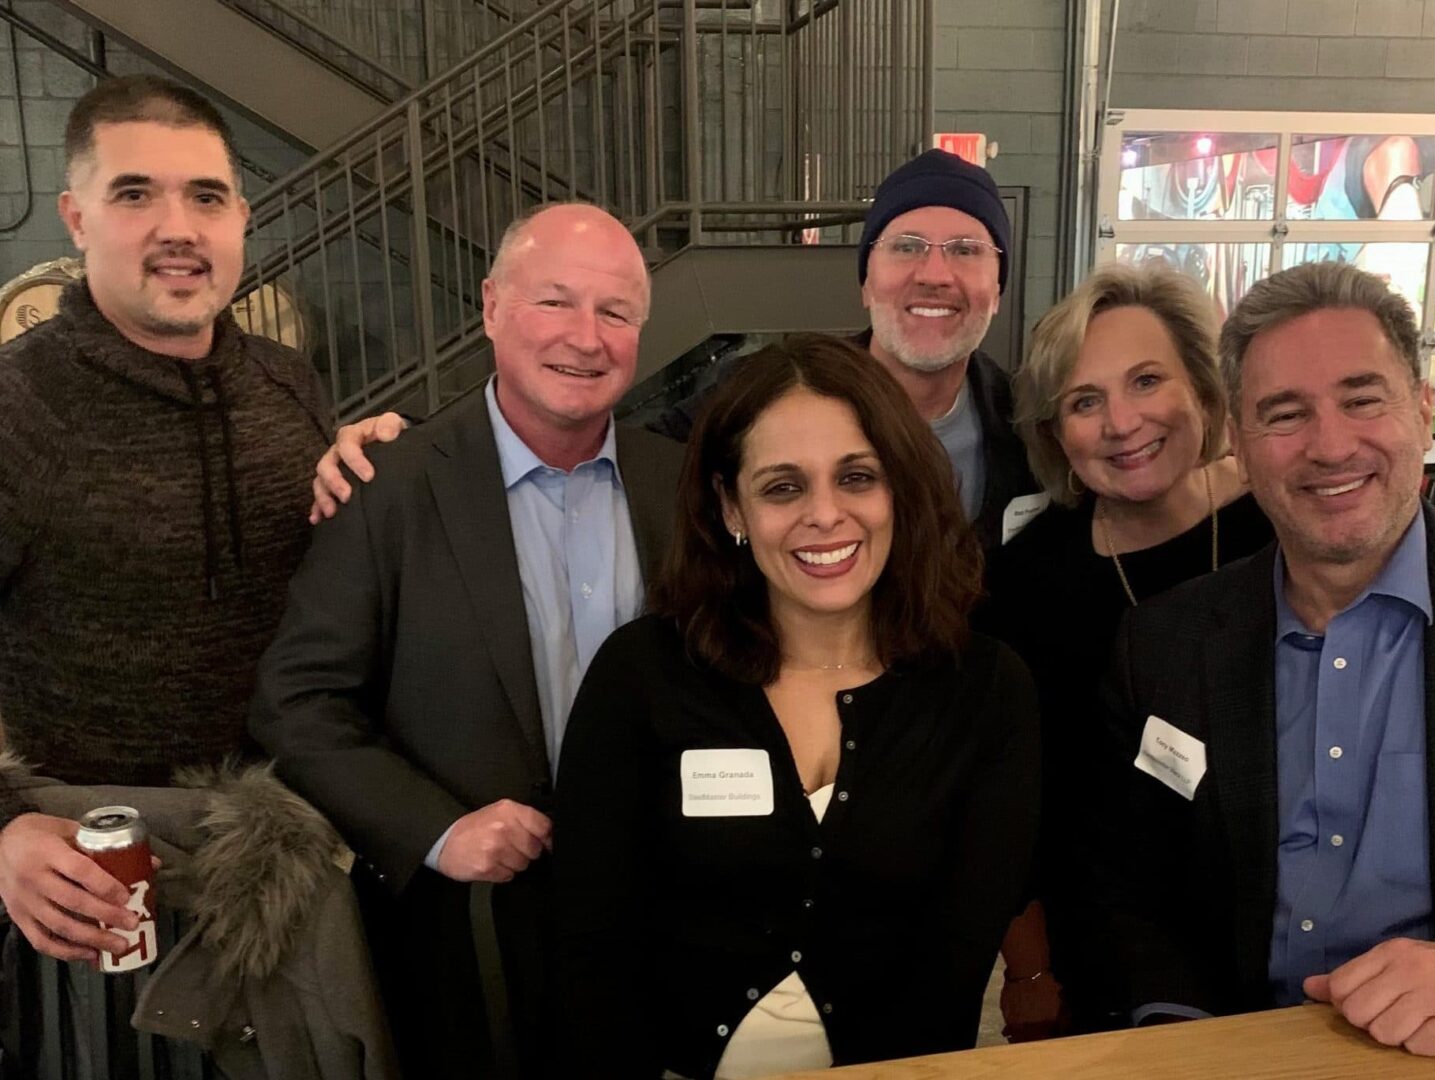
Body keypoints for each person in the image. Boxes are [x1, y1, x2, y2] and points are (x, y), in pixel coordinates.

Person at [251, 202, 684, 1077]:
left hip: (658, 917)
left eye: (616, 313)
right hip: (469, 941)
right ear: (490, 307)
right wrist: (437, 831)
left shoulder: (682, 483)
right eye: (555, 302)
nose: (586, 337)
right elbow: (295, 702)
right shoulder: (388, 484)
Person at [550, 334, 1040, 1078]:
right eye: (782, 486)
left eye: (856, 477)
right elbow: (590, 948)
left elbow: (955, 959)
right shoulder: (640, 676)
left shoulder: (984, 691)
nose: (824, 515)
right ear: (730, 506)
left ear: (899, 490)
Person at [1074, 261, 1435, 1056]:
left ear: (1421, 409)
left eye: (1361, 399)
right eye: (1283, 414)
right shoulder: (1162, 644)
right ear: (1237, 445)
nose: (1330, 445)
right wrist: (1181, 1040)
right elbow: (1125, 895)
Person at [0, 75, 328, 967]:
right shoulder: (17, 406)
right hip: (93, 878)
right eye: (135, 193)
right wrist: (3, 831)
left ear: (242, 218)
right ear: (75, 217)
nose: (178, 227)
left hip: (292, 859)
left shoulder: (287, 384)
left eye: (206, 196)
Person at [310, 149, 1040, 549]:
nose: (935, 273)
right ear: (864, 279)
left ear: (999, 286)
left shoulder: (1032, 429)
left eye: (966, 250)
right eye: (906, 245)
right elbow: (607, 442)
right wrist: (416, 434)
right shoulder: (781, 391)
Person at [975, 264, 1275, 1039]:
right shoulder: (1023, 583)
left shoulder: (1283, 527)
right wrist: (1031, 972)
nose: (1121, 421)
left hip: (1291, 941)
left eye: (1147, 381)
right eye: (1083, 401)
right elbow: (1012, 806)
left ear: (1204, 391)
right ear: (1052, 432)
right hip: (1100, 964)